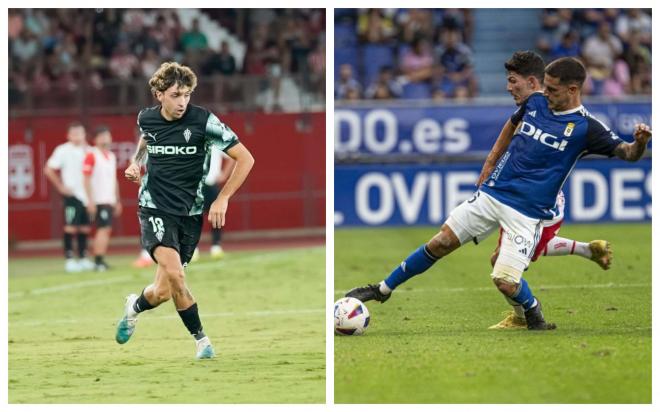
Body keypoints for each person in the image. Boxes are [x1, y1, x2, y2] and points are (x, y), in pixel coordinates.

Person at [346, 57, 651, 331]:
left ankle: (532, 313)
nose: (546, 94)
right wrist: (490, 163)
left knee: (505, 281)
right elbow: (511, 125)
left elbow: (626, 153)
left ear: (573, 90)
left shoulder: (587, 128)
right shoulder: (536, 103)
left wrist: (639, 143)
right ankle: (381, 290)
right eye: (544, 87)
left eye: (553, 90)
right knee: (440, 242)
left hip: (527, 212)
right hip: (494, 194)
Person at [115, 62, 255, 359]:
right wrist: (134, 163)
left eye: (187, 95)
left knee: (162, 292)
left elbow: (246, 159)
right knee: (177, 275)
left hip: (189, 214)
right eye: (176, 95)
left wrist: (223, 198)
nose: (182, 102)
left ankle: (133, 307)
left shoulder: (204, 121)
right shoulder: (147, 119)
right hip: (153, 207)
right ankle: (202, 342)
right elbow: (146, 139)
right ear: (159, 94)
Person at [476, 51, 612, 329]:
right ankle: (588, 250)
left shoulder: (566, 115)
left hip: (542, 206)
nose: (509, 87)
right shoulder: (535, 106)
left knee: (501, 263)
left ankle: (520, 317)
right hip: (520, 197)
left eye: (513, 81)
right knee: (508, 257)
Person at [44, 122, 94, 273]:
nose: (78, 137)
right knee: (70, 227)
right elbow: (48, 169)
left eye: (80, 133)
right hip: (72, 195)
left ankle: (84, 257)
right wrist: (60, 187)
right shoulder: (63, 150)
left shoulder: (90, 151)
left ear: (85, 134)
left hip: (87, 195)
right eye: (74, 134)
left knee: (85, 228)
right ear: (68, 135)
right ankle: (70, 259)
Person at [82, 125, 122, 272]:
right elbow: (85, 179)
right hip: (98, 199)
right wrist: (90, 200)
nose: (105, 138)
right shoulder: (91, 155)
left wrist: (117, 200)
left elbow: (114, 180)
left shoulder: (111, 156)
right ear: (95, 139)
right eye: (102, 136)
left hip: (109, 199)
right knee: (102, 229)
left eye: (107, 135)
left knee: (106, 229)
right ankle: (97, 260)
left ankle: (100, 259)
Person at [191, 146, 235, 261]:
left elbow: (233, 157)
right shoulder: (191, 140)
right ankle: (192, 248)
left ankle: (216, 246)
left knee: (216, 216)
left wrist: (224, 174)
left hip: (211, 185)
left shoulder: (216, 142)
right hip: (195, 186)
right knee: (193, 218)